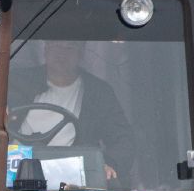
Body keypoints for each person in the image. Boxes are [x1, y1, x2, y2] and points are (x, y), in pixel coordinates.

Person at [13, 42, 136, 182]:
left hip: (74, 184)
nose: (62, 53)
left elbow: (123, 139)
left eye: (69, 48)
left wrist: (109, 164)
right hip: (15, 175)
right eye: (57, 46)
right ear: (46, 50)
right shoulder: (16, 83)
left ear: (81, 54)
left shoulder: (98, 92)